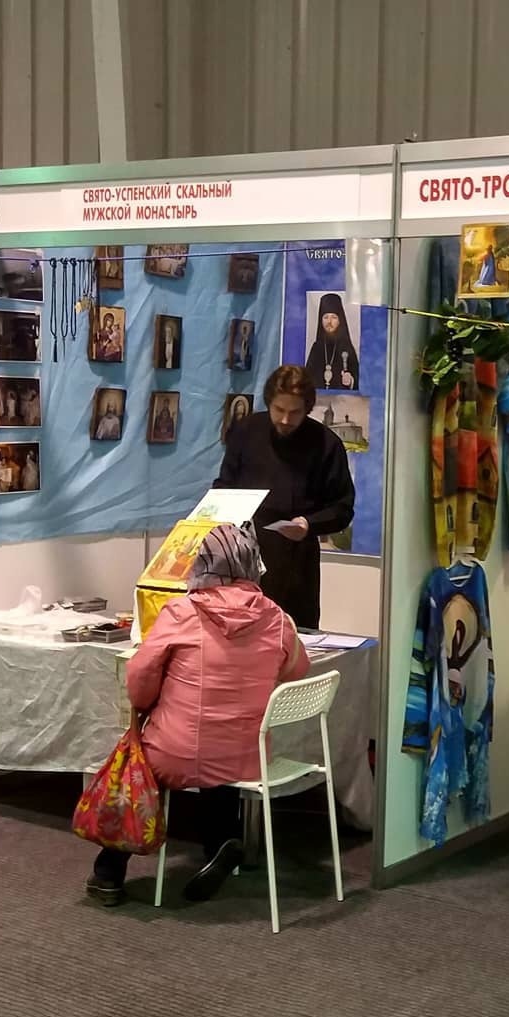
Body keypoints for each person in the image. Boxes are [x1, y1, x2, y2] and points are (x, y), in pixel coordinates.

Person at [85, 524, 310, 907]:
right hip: (247, 756)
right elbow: (297, 669)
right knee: (219, 753)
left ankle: (108, 872)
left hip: (179, 752)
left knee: (140, 763)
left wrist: (150, 704)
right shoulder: (276, 617)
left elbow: (139, 678)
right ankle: (222, 842)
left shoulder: (181, 612)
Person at [215, 366, 354, 629]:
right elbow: (224, 485)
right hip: (241, 560)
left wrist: (308, 524)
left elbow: (342, 508)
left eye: (295, 412)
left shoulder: (326, 444)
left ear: (308, 409)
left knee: (291, 636)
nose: (286, 420)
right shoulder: (246, 432)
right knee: (238, 636)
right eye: (279, 410)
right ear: (269, 402)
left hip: (296, 565)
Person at [306, 294, 360, 391]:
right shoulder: (316, 348)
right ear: (321, 321)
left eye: (334, 317)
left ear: (339, 321)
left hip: (342, 400)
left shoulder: (347, 347)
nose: (329, 322)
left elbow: (359, 379)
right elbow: (305, 380)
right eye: (325, 317)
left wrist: (351, 381)